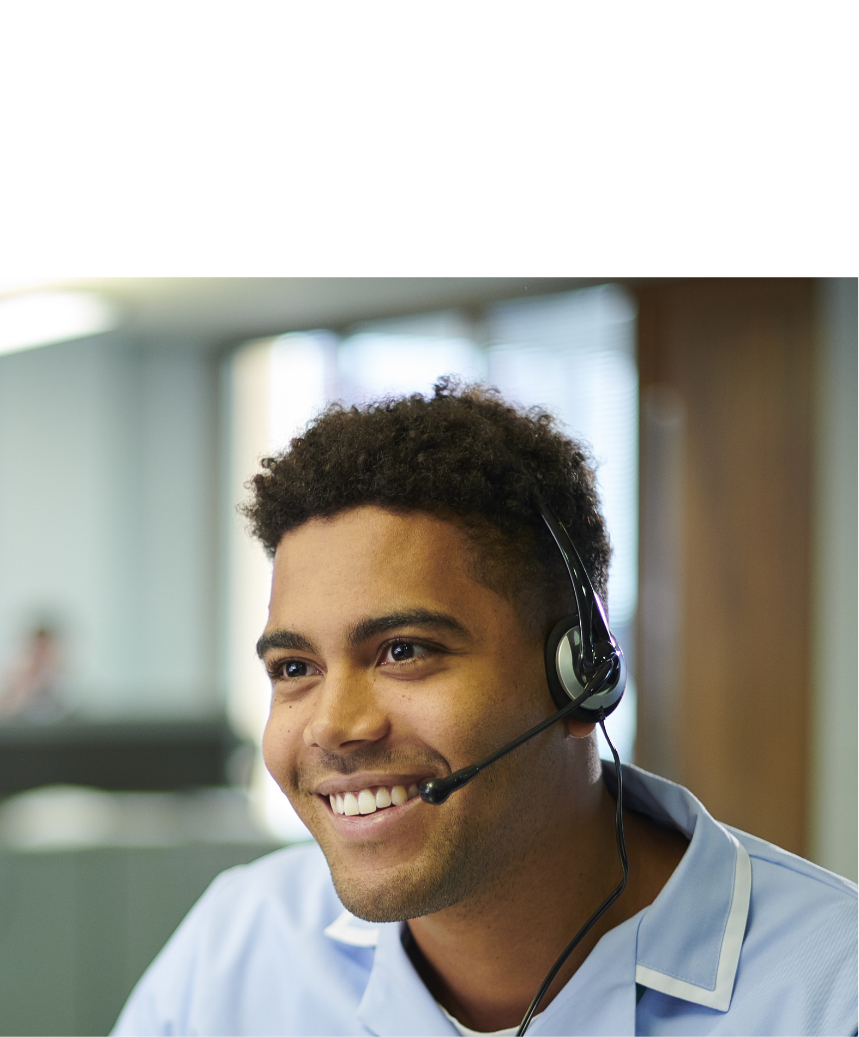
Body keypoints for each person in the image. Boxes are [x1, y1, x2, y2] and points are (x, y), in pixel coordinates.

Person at [113, 382, 859, 1036]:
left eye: (404, 650)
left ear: (579, 674)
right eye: (296, 667)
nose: (334, 726)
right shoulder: (238, 948)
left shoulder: (831, 990)